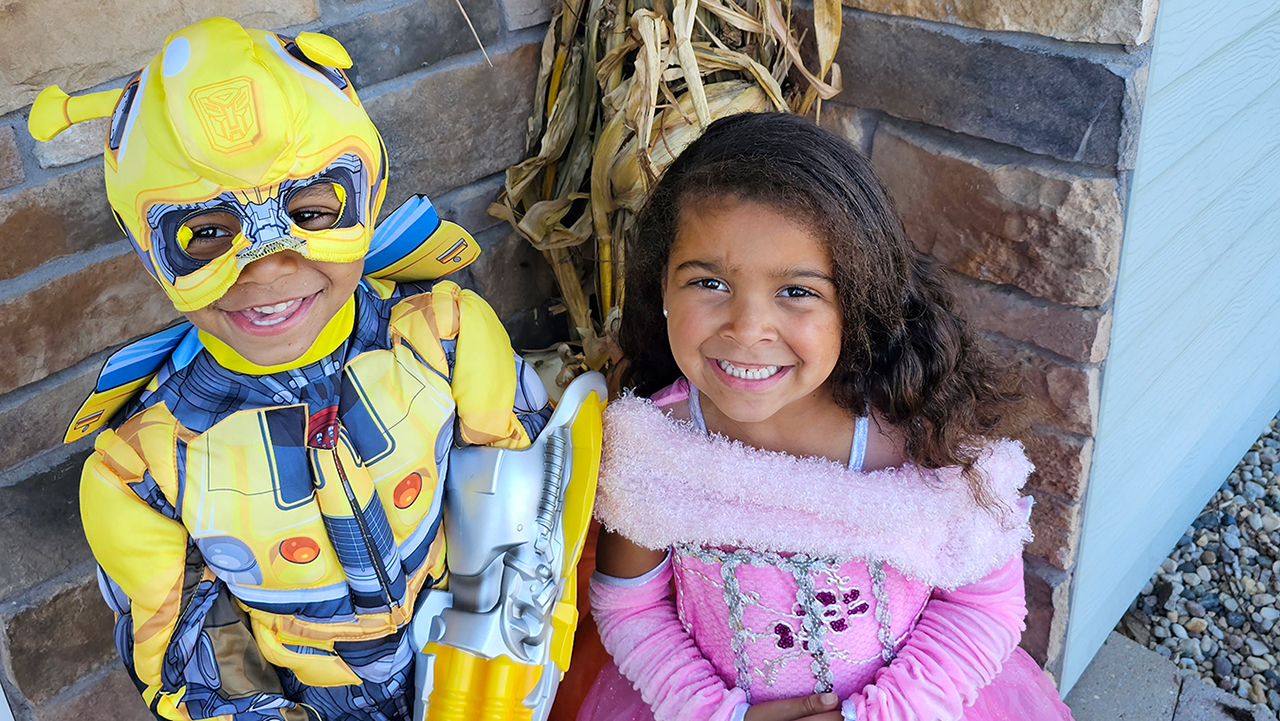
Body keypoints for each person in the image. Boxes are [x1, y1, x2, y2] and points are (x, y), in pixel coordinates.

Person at [28, 18, 584, 721]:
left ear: (368, 187)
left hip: (488, 678)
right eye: (206, 234)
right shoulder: (144, 472)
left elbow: (531, 505)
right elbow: (189, 663)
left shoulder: (446, 337)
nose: (267, 265)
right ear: (149, 246)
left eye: (312, 210)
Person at [575, 112, 1075, 721]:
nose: (747, 329)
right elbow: (632, 609)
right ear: (661, 286)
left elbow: (981, 606)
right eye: (708, 282)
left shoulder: (923, 438)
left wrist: (882, 714)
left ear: (857, 300)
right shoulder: (656, 446)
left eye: (797, 292)